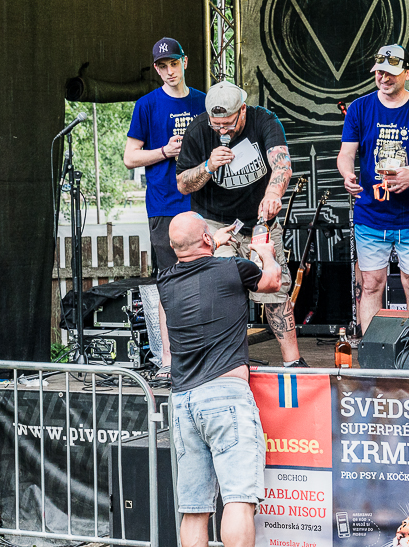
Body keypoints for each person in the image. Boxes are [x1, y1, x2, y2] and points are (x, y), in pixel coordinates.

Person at [157, 212, 280, 547]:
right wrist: (266, 252)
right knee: (239, 499)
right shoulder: (234, 268)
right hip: (226, 395)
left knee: (194, 509)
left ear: (173, 246)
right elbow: (272, 282)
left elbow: (190, 260)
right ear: (207, 239)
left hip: (184, 401)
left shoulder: (165, 281)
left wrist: (210, 242)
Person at [175, 81, 305, 367]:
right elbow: (183, 184)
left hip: (259, 221)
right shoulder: (198, 130)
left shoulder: (264, 120)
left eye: (229, 124)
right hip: (215, 224)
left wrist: (273, 194)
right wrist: (208, 166)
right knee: (223, 288)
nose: (222, 130)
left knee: (274, 289)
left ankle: (293, 363)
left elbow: (282, 165)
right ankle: (226, 363)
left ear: (242, 110)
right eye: (216, 124)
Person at [337, 44, 409, 334]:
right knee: (371, 284)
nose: (384, 78)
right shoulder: (359, 108)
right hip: (371, 213)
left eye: (391, 73)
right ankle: (372, 350)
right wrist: (347, 175)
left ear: (406, 73)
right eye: (379, 72)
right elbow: (346, 153)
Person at [123, 37, 206, 378]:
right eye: (162, 66)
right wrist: (164, 152)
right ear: (156, 70)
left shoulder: (203, 101)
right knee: (169, 283)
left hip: (203, 204)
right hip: (164, 205)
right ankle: (169, 361)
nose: (170, 71)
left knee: (209, 280)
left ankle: (209, 356)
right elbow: (130, 158)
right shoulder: (146, 105)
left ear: (185, 62)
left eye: (174, 63)